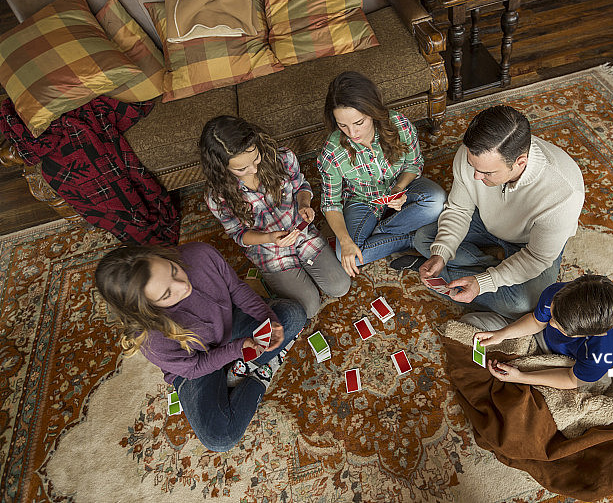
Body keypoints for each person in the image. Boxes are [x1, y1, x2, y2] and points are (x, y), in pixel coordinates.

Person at [94, 242, 307, 452]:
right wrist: (236, 349)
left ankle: (241, 369)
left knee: (294, 315)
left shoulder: (199, 254)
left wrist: (267, 317)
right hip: (195, 365)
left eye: (173, 270)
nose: (183, 286)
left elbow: (236, 288)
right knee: (219, 438)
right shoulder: (149, 338)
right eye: (167, 294)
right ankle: (258, 374)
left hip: (229, 323)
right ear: (146, 309)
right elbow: (194, 368)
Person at [411, 105, 584, 319]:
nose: (476, 176)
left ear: (520, 162)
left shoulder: (564, 193)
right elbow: (459, 209)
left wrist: (483, 283)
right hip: (485, 221)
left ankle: (481, 273)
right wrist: (441, 252)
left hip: (530, 244)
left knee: (523, 304)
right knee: (423, 239)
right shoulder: (473, 155)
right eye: (472, 166)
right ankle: (492, 269)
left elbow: (537, 258)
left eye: (487, 172)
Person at [200, 115, 350, 317]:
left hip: (302, 233)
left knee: (340, 286)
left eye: (256, 158)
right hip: (268, 250)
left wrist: (304, 204)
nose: (254, 169)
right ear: (221, 167)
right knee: (309, 308)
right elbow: (238, 234)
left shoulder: (282, 158)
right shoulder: (217, 196)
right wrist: (269, 238)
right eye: (242, 168)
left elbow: (301, 186)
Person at [317, 71, 446, 277]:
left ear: (373, 111)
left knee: (437, 200)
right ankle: (412, 238)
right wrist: (345, 240)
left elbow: (414, 164)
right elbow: (331, 203)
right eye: (342, 125)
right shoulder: (331, 152)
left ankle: (380, 233)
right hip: (362, 200)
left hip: (402, 187)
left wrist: (398, 188)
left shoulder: (399, 125)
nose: (352, 133)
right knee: (347, 255)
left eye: (359, 123)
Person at [470, 274, 613, 389]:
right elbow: (537, 322)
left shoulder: (603, 353)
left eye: (560, 326)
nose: (550, 323)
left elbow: (571, 379)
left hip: (566, 363)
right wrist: (502, 334)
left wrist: (521, 377)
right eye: (552, 314)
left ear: (585, 335)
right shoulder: (558, 293)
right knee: (471, 322)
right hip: (540, 337)